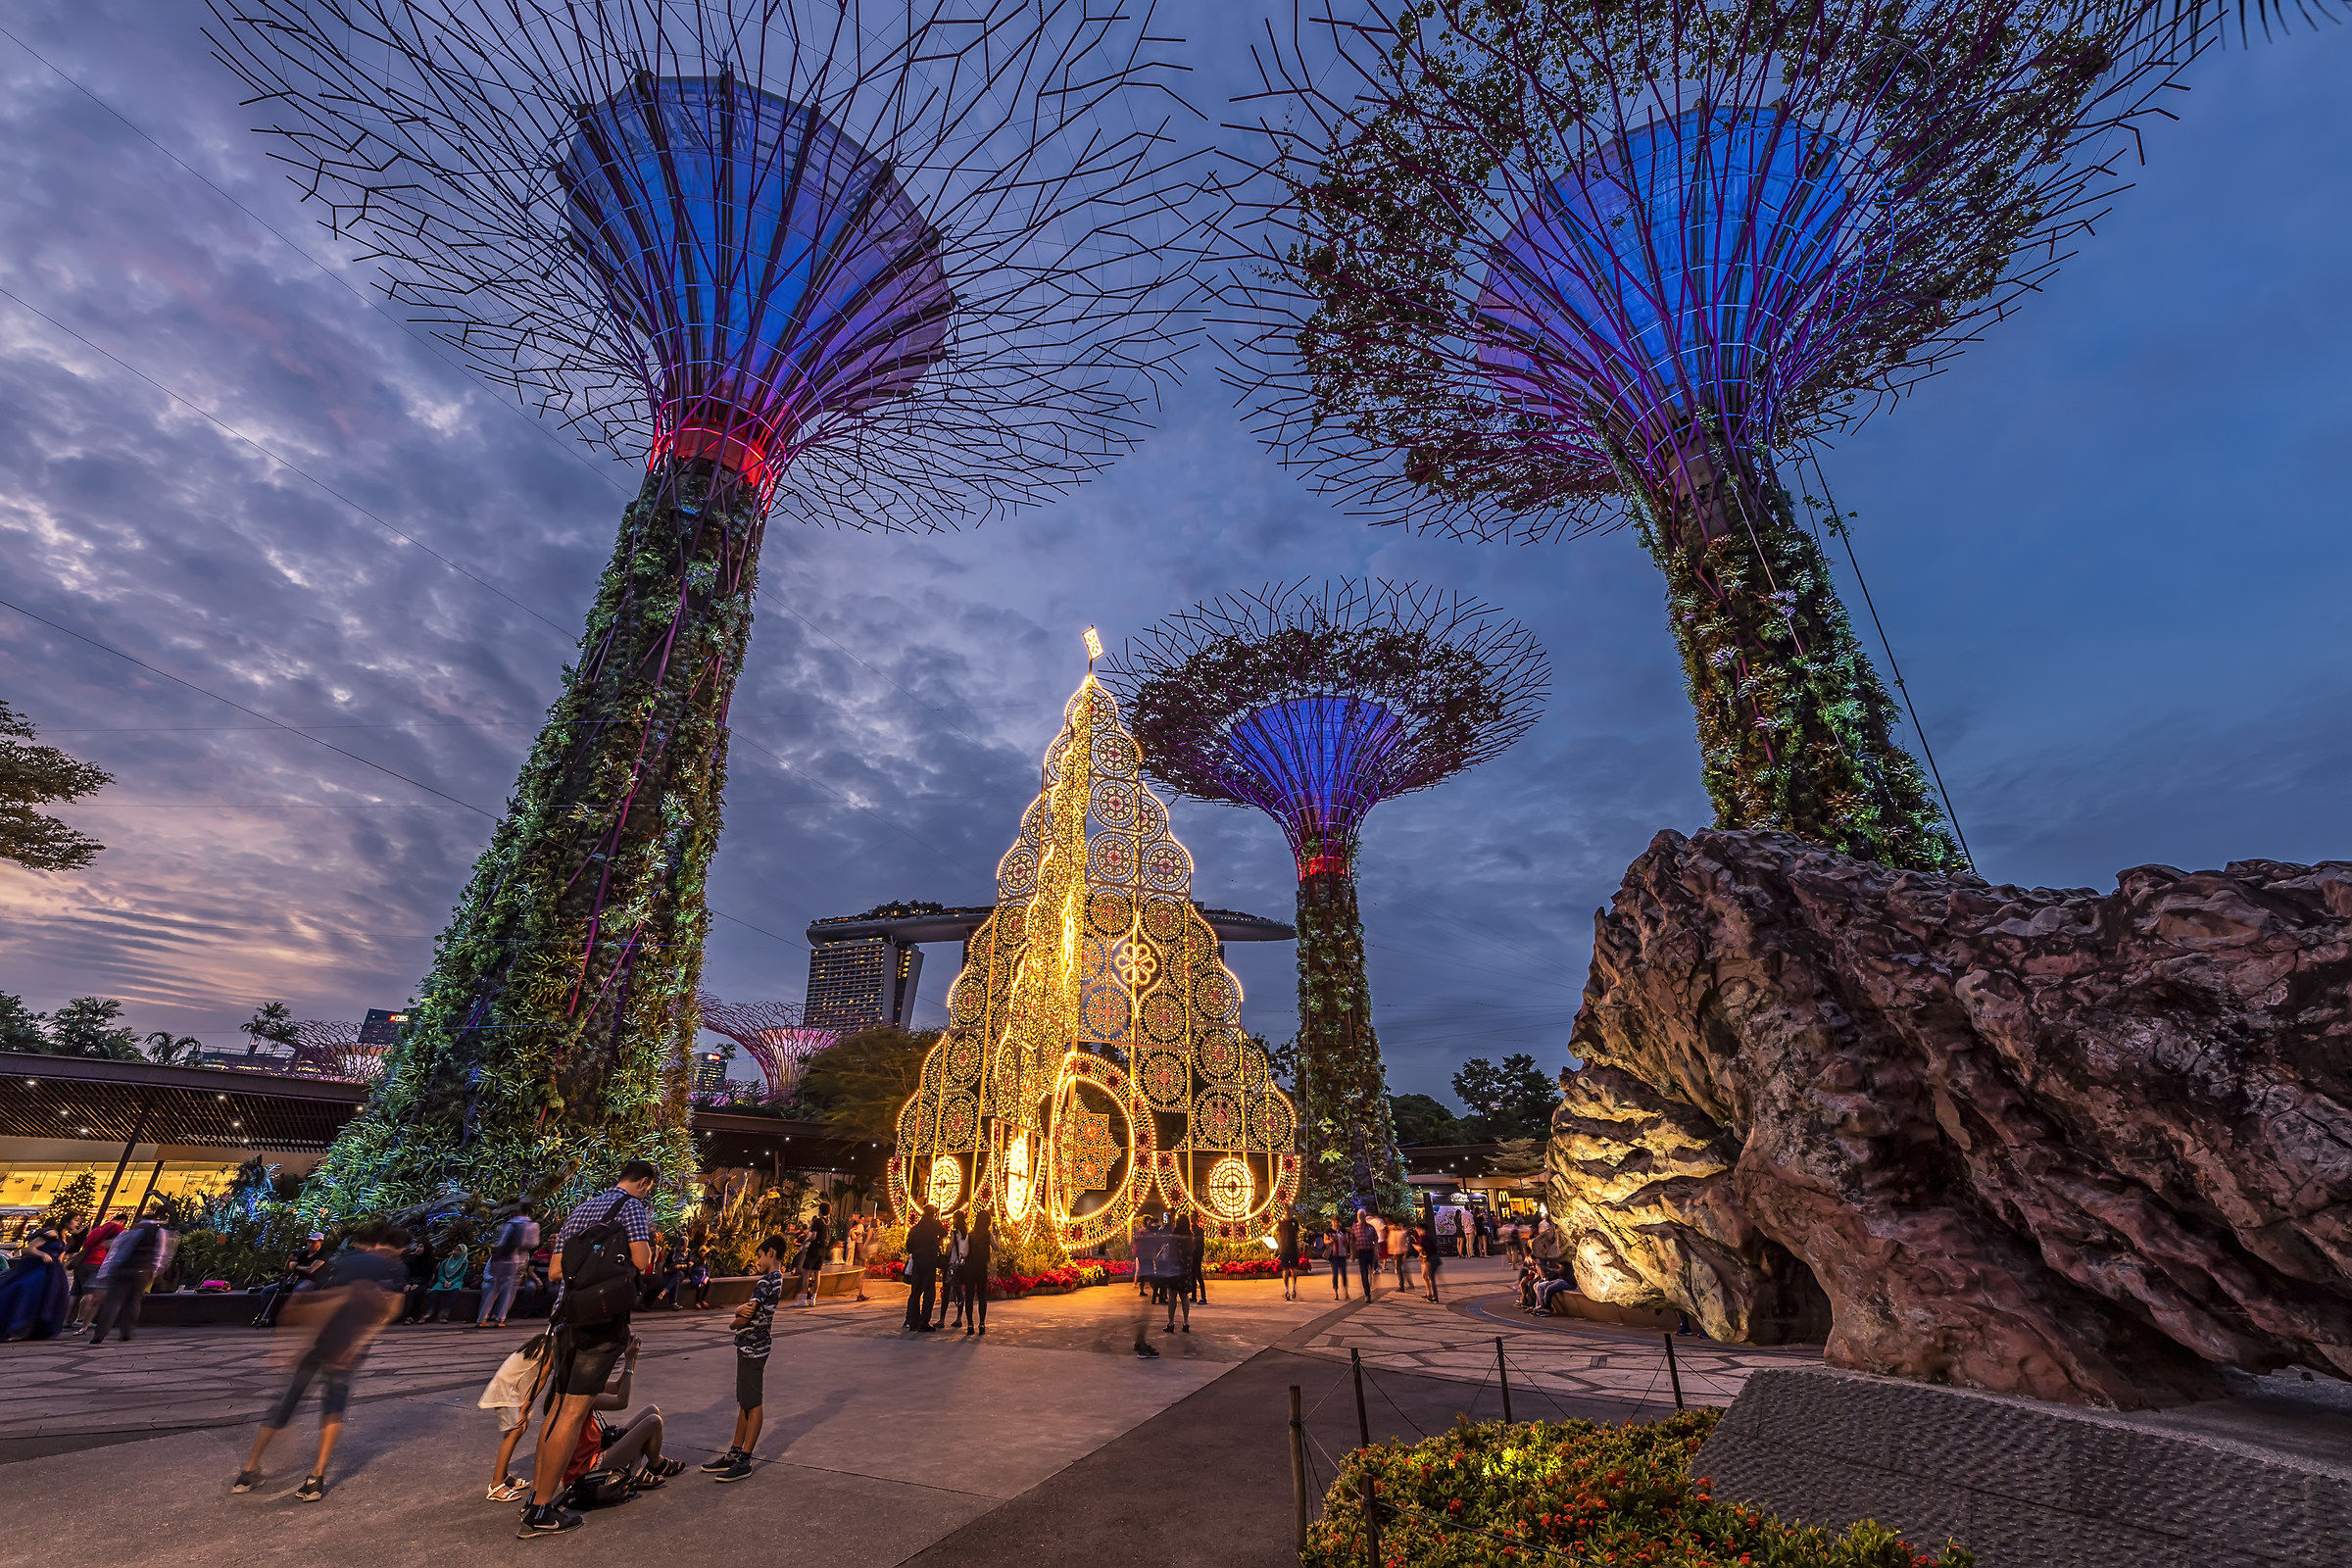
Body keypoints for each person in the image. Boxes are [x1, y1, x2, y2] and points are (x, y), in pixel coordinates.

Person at [519, 1159, 658, 1539]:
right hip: (601, 1322)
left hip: (566, 1318)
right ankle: (543, 1511)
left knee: (559, 1408)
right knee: (575, 1413)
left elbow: (554, 1271)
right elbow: (642, 1261)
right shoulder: (632, 1208)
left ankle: (537, 1497)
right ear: (644, 1183)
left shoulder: (582, 1209)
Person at [233, 1221, 408, 1501]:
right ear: (400, 1249)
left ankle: (248, 1471)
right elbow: (391, 1309)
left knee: (285, 1403)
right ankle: (315, 1478)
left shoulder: (349, 1263)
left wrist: (294, 1345)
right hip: (347, 1347)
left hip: (319, 1343)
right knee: (332, 1408)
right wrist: (357, 1344)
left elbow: (317, 1301)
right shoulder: (395, 1268)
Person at [705, 1234, 787, 1483]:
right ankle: (735, 1451)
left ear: (771, 1253)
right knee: (745, 1400)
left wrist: (734, 1317)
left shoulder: (765, 1282)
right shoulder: (777, 1279)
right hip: (757, 1346)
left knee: (753, 1402)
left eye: (760, 1255)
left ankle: (744, 1459)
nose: (758, 1260)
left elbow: (743, 1318)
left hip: (752, 1347)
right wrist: (741, 1310)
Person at [87, 1214, 172, 1343]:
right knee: (133, 1301)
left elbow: (114, 1252)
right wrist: (155, 1271)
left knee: (113, 1301)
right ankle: (126, 1332)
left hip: (120, 1270)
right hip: (142, 1270)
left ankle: (99, 1334)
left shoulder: (128, 1232)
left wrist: (105, 1273)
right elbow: (161, 1254)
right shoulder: (158, 1232)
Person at [0, 1228, 70, 1341]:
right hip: (38, 1268)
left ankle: (32, 1330)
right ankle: (14, 1328)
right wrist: (43, 1255)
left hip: (54, 1272)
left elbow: (61, 1258)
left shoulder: (66, 1238)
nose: (78, 1224)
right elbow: (29, 1249)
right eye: (76, 1220)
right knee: (27, 1293)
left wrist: (61, 1272)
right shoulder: (51, 1233)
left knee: (48, 1299)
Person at [477, 1205, 539, 1327]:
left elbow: (499, 1242)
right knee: (510, 1290)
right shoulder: (530, 1224)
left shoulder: (508, 1224)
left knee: (495, 1288)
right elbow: (533, 1243)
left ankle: (482, 1319)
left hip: (501, 1259)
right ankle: (500, 1319)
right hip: (517, 1259)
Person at [66, 1218, 122, 1330]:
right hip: (94, 1262)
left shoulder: (97, 1229)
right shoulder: (117, 1227)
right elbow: (119, 1243)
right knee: (90, 1292)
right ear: (122, 1221)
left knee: (75, 1292)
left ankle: (65, 1319)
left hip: (81, 1263)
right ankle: (81, 1319)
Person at [1130, 1212, 1169, 1358]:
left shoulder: (1141, 1236)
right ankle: (1141, 1347)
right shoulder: (1148, 1237)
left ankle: (1140, 1342)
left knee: (1144, 1312)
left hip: (1144, 1271)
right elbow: (1159, 1245)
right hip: (1148, 1271)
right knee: (1145, 1312)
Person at [903, 1203, 945, 1332]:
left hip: (917, 1262)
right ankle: (924, 1321)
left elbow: (908, 1246)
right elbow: (944, 1232)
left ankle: (913, 1321)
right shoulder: (934, 1224)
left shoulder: (915, 1228)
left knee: (915, 1292)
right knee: (929, 1292)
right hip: (929, 1261)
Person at [957, 1208, 993, 1337]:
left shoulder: (970, 1235)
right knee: (982, 1296)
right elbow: (997, 1247)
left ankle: (970, 1325)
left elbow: (965, 1253)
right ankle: (982, 1324)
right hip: (981, 1268)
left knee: (969, 1297)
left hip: (970, 1269)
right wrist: (997, 1236)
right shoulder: (988, 1235)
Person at [1162, 1213, 1195, 1334]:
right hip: (1185, 1269)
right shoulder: (1190, 1237)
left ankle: (1171, 1323)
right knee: (1184, 1296)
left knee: (1172, 1295)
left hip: (1174, 1268)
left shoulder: (1174, 1236)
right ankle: (1186, 1322)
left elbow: (1170, 1252)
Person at [796, 1201, 831, 1307]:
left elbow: (814, 1236)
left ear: (820, 1210)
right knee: (817, 1273)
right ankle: (814, 1299)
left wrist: (806, 1240)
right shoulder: (828, 1222)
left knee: (806, 1273)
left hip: (814, 1249)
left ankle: (803, 1299)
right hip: (823, 1250)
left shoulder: (818, 1221)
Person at [423, 1247, 470, 1321]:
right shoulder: (446, 1262)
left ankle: (444, 1313)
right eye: (455, 1249)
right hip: (443, 1280)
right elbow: (440, 1275)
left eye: (458, 1250)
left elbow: (460, 1276)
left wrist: (451, 1282)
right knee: (434, 1291)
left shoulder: (464, 1262)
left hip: (455, 1281)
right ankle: (429, 1312)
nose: (455, 1251)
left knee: (455, 1292)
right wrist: (444, 1281)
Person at [940, 1213, 970, 1329]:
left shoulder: (954, 1234)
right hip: (961, 1266)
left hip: (951, 1265)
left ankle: (942, 1320)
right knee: (959, 1293)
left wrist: (944, 1257)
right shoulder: (967, 1234)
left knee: (946, 1292)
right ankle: (958, 1319)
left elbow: (949, 1249)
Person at [1350, 1209, 1380, 1301]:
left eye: (1362, 1215)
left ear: (1365, 1216)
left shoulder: (1370, 1227)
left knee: (1371, 1272)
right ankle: (1367, 1293)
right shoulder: (1355, 1227)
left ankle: (1371, 1285)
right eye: (1359, 1215)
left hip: (1370, 1251)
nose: (1360, 1216)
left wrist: (1377, 1251)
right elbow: (1351, 1240)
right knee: (1364, 1273)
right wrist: (1352, 1253)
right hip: (1361, 1253)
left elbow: (1376, 1240)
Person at [1419, 1200, 1445, 1303]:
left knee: (1431, 1278)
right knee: (1432, 1278)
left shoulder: (1424, 1237)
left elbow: (1423, 1248)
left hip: (1430, 1259)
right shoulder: (1430, 1236)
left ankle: (1434, 1296)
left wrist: (1420, 1252)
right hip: (1435, 1258)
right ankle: (1433, 1295)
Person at [1275, 1208, 1302, 1301]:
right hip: (1284, 1250)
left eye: (1288, 1210)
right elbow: (1278, 1235)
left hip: (1293, 1249)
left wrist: (1298, 1246)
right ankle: (1286, 1290)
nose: (1287, 1212)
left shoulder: (1294, 1222)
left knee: (1294, 1269)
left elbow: (1297, 1235)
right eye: (1286, 1211)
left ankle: (1294, 1288)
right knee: (1285, 1269)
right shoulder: (1281, 1223)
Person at [1322, 1221, 1349, 1300]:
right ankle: (1335, 1292)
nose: (1336, 1224)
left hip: (1342, 1255)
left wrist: (1344, 1239)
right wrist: (1331, 1241)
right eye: (1334, 1222)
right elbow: (1325, 1241)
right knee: (1335, 1274)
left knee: (1344, 1273)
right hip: (1333, 1255)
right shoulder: (1328, 1230)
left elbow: (1347, 1242)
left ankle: (1345, 1291)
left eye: (1337, 1222)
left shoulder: (1343, 1231)